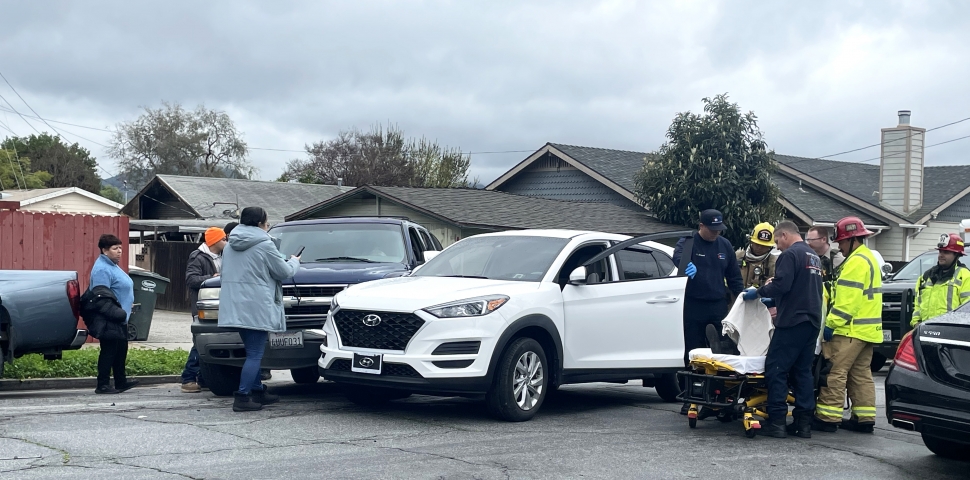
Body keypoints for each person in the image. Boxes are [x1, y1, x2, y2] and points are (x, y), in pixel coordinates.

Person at [742, 221, 822, 438]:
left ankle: (777, 421)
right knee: (802, 372)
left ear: (785, 235)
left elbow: (782, 284)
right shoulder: (813, 256)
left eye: (777, 241)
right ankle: (803, 423)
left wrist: (759, 293)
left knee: (776, 368)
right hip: (812, 320)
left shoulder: (790, 255)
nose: (777, 246)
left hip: (793, 320)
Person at [218, 207, 300, 412]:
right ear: (260, 223)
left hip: (235, 304)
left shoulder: (229, 246)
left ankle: (257, 391)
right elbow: (284, 272)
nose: (268, 225)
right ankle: (243, 396)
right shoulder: (265, 244)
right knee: (255, 354)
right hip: (257, 305)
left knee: (250, 352)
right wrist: (295, 262)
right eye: (267, 221)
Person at [814, 216, 883, 434]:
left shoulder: (855, 262)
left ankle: (827, 418)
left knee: (834, 371)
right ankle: (864, 419)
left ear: (853, 240)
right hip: (866, 331)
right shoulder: (869, 258)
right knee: (860, 374)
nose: (840, 246)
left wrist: (832, 324)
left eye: (842, 242)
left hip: (849, 329)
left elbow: (847, 300)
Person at [673, 209, 744, 415]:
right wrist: (686, 264)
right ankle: (691, 397)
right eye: (712, 229)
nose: (715, 234)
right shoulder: (688, 242)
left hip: (717, 305)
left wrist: (741, 299)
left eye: (719, 230)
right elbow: (678, 258)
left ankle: (719, 398)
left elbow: (734, 277)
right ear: (701, 226)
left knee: (721, 353)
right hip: (694, 305)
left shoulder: (725, 245)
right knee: (693, 353)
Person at [88, 234, 139, 394]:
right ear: (104, 250)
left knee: (120, 350)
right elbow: (101, 296)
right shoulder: (102, 269)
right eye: (115, 248)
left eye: (120, 248)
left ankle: (120, 381)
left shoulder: (112, 265)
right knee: (109, 351)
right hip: (111, 318)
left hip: (120, 317)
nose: (119, 251)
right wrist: (117, 314)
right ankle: (102, 385)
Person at [181, 227, 227, 393]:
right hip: (203, 306)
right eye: (223, 239)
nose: (226, 242)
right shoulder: (198, 257)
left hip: (217, 306)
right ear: (214, 241)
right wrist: (211, 278)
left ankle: (202, 378)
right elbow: (191, 279)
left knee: (209, 342)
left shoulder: (221, 256)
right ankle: (188, 378)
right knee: (199, 343)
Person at [911, 233, 970, 326]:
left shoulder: (965, 276)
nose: (941, 255)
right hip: (925, 330)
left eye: (946, 252)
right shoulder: (926, 277)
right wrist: (916, 323)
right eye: (940, 251)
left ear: (957, 255)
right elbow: (917, 305)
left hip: (952, 332)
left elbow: (967, 310)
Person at [736, 222, 777, 289]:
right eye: (757, 244)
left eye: (764, 246)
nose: (759, 248)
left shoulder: (773, 262)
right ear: (751, 241)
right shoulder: (738, 256)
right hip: (735, 297)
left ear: (770, 247)